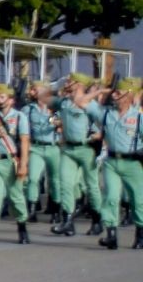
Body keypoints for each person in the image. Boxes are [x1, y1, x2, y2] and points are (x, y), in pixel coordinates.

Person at [90, 77, 142, 250]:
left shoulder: (139, 117)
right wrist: (100, 91)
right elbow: (82, 101)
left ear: (129, 95)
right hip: (111, 161)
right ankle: (111, 235)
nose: (114, 94)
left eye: (118, 92)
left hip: (133, 163)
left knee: (138, 200)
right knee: (111, 197)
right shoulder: (106, 113)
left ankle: (140, 235)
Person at [54, 72, 105, 237]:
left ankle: (97, 220)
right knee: (65, 183)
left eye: (70, 81)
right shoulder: (64, 103)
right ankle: (67, 221)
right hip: (68, 149)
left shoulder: (90, 104)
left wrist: (98, 136)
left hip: (86, 149)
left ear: (79, 84)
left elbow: (106, 122)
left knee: (92, 186)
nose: (67, 83)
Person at [0, 84, 31, 244]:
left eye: (2, 97)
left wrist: (23, 165)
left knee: (16, 196)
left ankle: (22, 226)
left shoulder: (19, 117)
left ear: (11, 100)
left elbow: (25, 141)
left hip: (11, 161)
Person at [24, 81, 62, 224]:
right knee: (33, 179)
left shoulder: (56, 108)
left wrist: (61, 124)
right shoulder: (29, 109)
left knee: (55, 180)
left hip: (53, 146)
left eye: (36, 89)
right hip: (36, 147)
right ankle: (32, 209)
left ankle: (56, 210)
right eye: (33, 89)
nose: (33, 92)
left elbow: (65, 123)